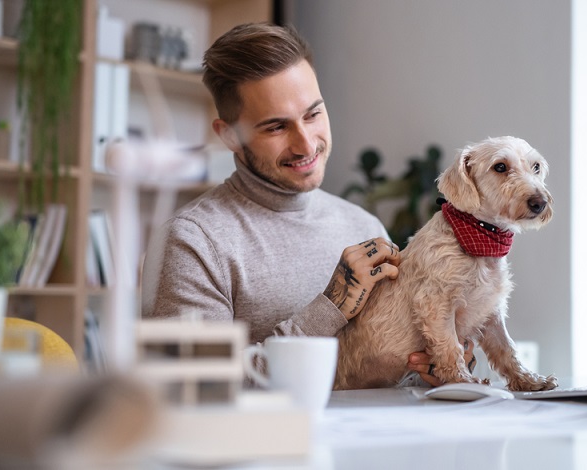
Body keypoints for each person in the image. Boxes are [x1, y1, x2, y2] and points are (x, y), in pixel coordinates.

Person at [141, 23, 472, 387]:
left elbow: (387, 380)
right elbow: (195, 389)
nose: (306, 144)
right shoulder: (193, 242)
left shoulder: (364, 226)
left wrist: (427, 371)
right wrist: (330, 307)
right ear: (229, 136)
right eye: (276, 127)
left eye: (313, 114)